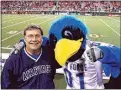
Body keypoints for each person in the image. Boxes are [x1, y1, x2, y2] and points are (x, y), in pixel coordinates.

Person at [1, 25, 59, 89]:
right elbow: (6, 85)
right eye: (30, 36)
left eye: (37, 36)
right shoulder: (13, 60)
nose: (34, 39)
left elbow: (60, 64)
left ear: (42, 38)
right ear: (25, 39)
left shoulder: (49, 53)